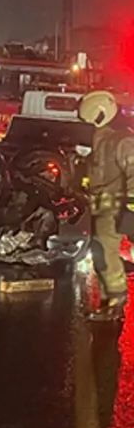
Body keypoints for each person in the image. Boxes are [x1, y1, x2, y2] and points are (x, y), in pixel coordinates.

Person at [80, 90, 134, 321]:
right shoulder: (98, 141)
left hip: (116, 208)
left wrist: (131, 205)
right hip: (101, 208)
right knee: (100, 253)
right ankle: (108, 301)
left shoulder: (121, 140)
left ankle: (116, 300)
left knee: (105, 253)